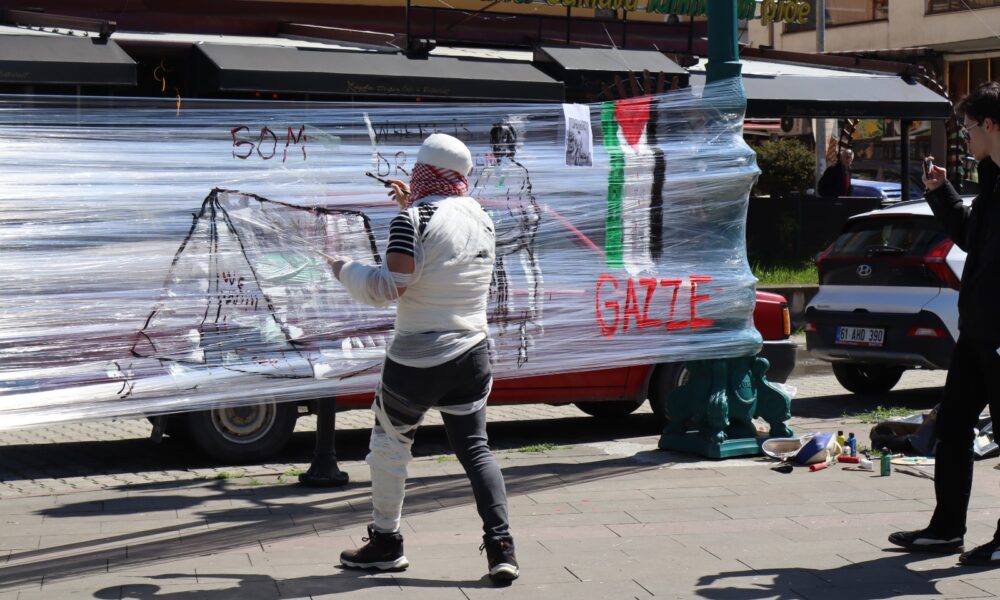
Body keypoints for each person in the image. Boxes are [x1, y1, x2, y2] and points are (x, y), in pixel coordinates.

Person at [326, 133, 519, 582]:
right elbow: (443, 252)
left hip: (416, 358)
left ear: (421, 171)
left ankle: (386, 542)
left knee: (389, 447)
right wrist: (410, 207)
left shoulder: (412, 219)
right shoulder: (482, 217)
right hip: (472, 353)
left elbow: (388, 287)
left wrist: (343, 269)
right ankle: (501, 547)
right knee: (476, 449)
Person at [888, 81, 1000, 565]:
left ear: (991, 124)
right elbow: (973, 239)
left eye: (969, 127)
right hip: (978, 330)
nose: (966, 136)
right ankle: (946, 530)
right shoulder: (992, 178)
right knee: (953, 425)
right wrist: (942, 192)